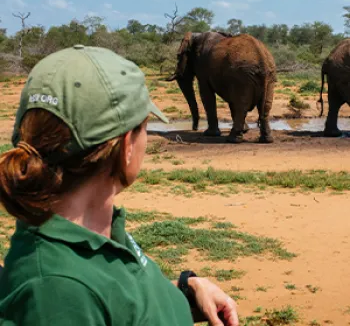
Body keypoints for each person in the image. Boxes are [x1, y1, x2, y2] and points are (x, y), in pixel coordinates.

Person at [0, 45, 239, 326]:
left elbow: (116, 302)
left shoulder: (93, 232)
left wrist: (186, 292)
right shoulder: (57, 291)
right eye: (144, 128)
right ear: (126, 146)